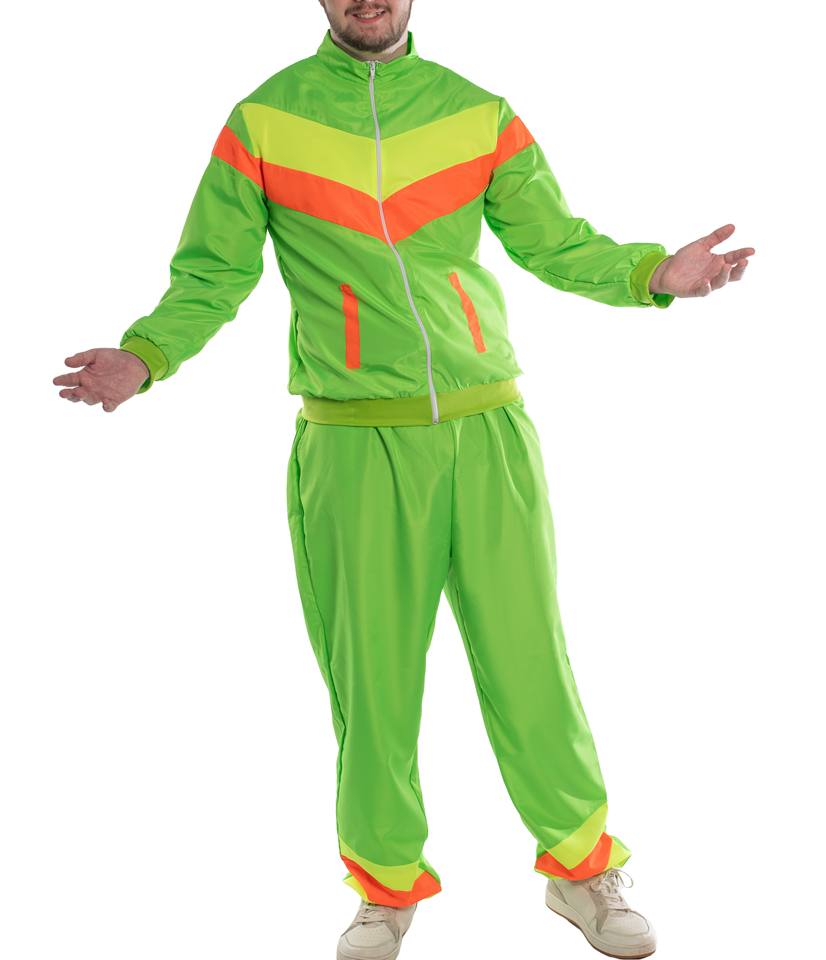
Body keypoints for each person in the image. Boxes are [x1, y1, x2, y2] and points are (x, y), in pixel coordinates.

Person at [53, 2, 755, 958]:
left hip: (487, 430)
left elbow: (555, 241)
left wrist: (650, 274)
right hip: (353, 444)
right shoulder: (265, 122)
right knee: (373, 684)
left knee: (532, 664)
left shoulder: (477, 113)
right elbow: (212, 274)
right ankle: (384, 888)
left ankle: (583, 871)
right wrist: (146, 356)